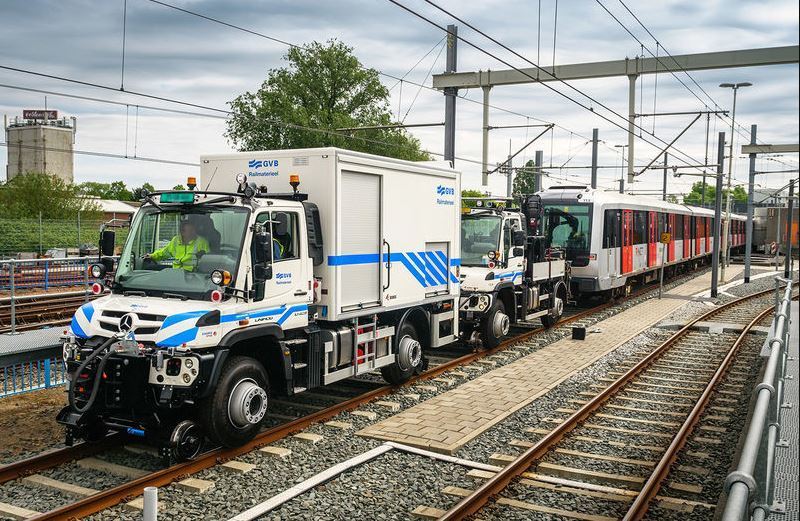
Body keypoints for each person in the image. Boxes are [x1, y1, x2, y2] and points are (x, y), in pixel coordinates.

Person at [144, 218, 209, 271]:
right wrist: (152, 256)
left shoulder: (202, 242)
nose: (194, 232)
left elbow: (208, 259)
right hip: (176, 272)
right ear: (182, 233)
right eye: (190, 230)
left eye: (194, 230)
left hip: (193, 273)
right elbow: (165, 252)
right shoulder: (176, 240)